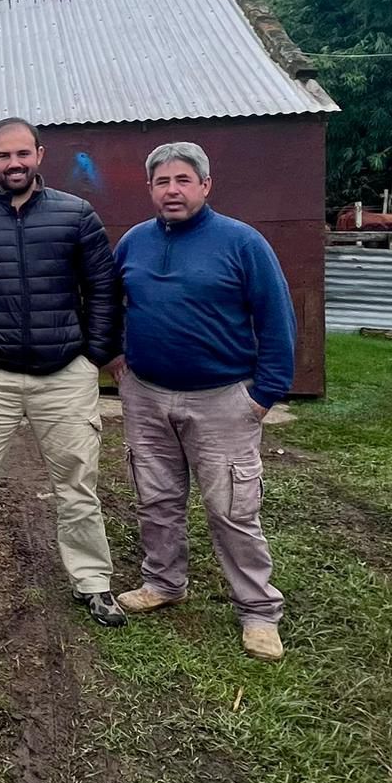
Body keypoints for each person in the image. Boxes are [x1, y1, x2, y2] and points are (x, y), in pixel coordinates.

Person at [0, 117, 124, 625]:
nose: (14, 163)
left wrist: (93, 354)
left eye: (22, 154)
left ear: (39, 154)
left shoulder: (76, 215)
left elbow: (103, 290)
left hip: (63, 373)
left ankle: (92, 580)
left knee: (77, 482)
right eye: (3, 155)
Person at [112, 142, 295, 661]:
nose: (172, 190)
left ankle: (258, 611)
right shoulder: (134, 242)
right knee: (157, 497)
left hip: (222, 399)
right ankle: (163, 582)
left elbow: (277, 318)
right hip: (146, 395)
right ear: (150, 189)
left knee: (232, 508)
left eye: (183, 180)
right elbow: (106, 299)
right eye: (162, 182)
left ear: (206, 186)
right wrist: (114, 356)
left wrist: (265, 394)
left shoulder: (242, 243)